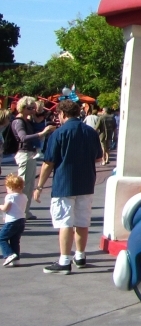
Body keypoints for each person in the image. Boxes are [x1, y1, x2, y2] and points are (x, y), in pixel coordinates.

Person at [34, 100, 102, 274]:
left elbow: (48, 162)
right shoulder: (90, 132)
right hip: (86, 182)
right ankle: (80, 255)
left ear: (63, 114)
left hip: (64, 183)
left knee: (65, 222)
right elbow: (97, 157)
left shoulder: (58, 133)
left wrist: (39, 186)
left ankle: (64, 260)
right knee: (82, 221)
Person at [11, 97, 55, 218]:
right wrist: (42, 133)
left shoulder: (27, 120)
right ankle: (18, 212)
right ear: (23, 108)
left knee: (29, 185)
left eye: (33, 108)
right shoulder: (19, 121)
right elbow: (23, 137)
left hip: (30, 152)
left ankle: (25, 211)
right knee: (22, 184)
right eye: (30, 108)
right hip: (24, 153)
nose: (32, 110)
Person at [1, 173, 27, 266]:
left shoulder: (10, 196)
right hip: (21, 220)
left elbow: (6, 208)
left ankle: (9, 254)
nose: (7, 190)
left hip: (12, 221)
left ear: (12, 187)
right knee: (15, 240)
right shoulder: (24, 196)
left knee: (2, 238)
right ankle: (16, 260)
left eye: (7, 188)